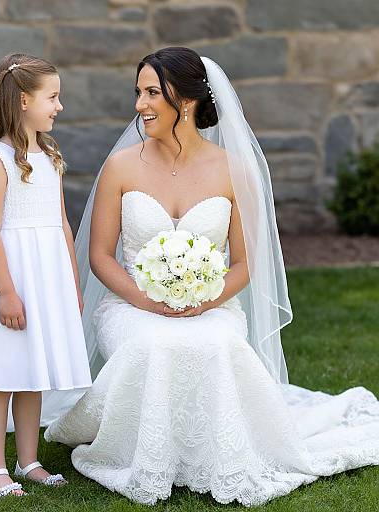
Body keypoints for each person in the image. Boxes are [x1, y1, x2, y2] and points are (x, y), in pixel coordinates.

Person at [43, 47, 379, 507]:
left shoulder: (233, 169)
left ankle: (209, 454)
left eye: (151, 93)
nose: (139, 105)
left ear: (185, 101)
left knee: (217, 344)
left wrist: (205, 299)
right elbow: (102, 258)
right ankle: (144, 455)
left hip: (212, 303)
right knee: (152, 345)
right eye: (138, 92)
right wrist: (146, 301)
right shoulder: (121, 167)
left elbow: (244, 263)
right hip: (129, 305)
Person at [0, 53, 92, 496]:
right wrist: (7, 292)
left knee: (33, 374)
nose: (59, 106)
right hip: (11, 275)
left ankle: (28, 460)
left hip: (46, 274)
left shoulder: (48, 154)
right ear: (23, 100)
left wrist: (71, 281)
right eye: (52, 97)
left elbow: (62, 224)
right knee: (2, 374)